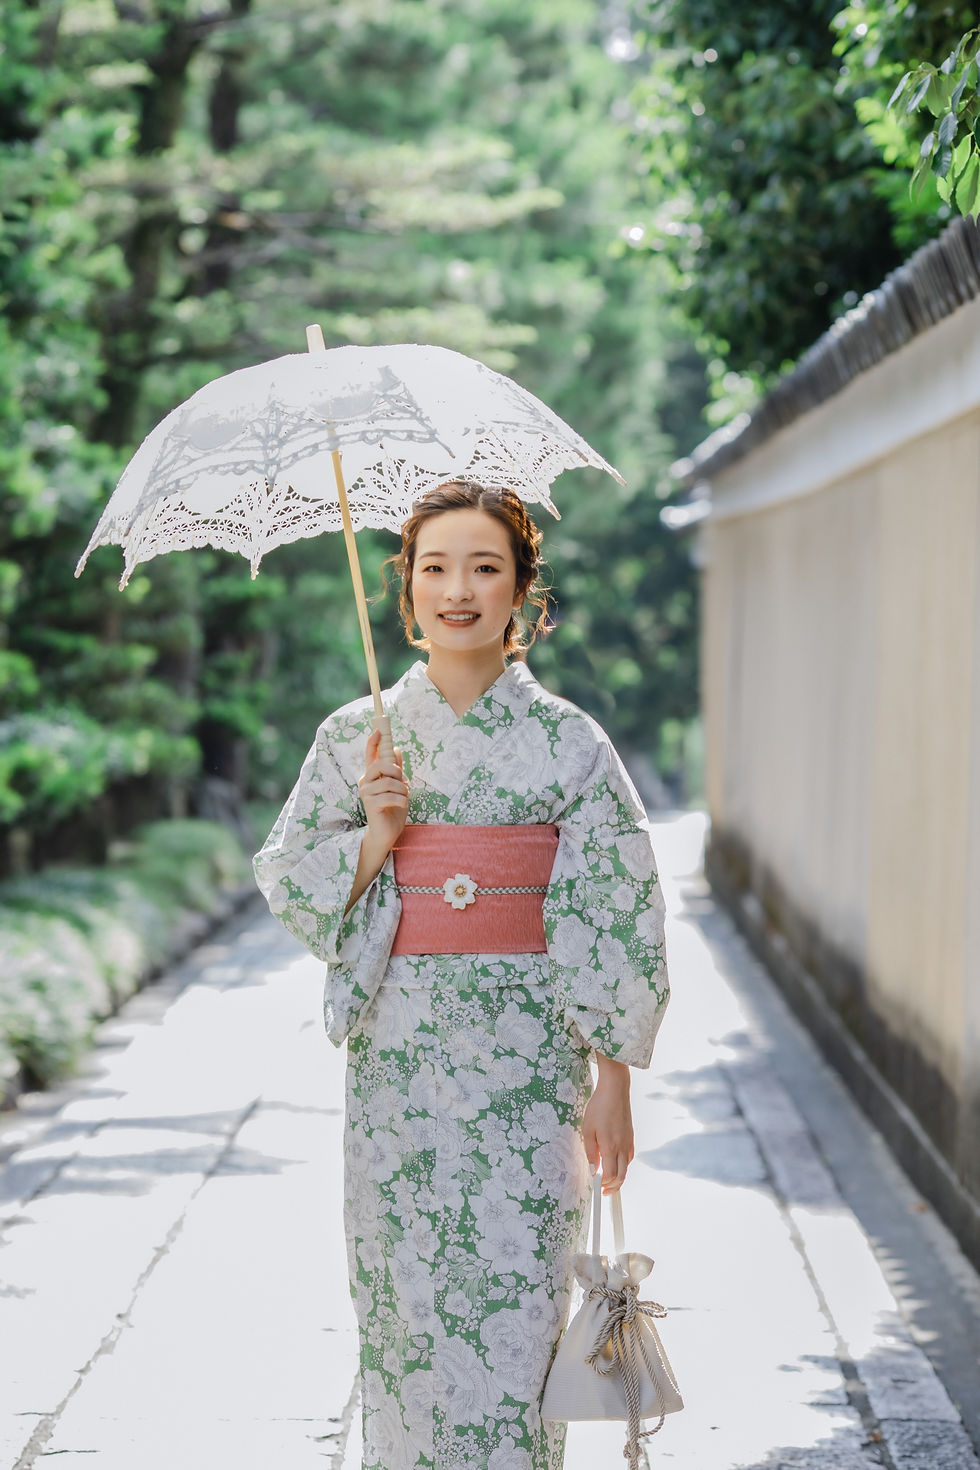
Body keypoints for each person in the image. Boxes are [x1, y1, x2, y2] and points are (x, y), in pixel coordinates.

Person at [253, 479, 670, 1470]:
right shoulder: (357, 739)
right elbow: (287, 872)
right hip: (402, 1060)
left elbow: (615, 899)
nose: (457, 589)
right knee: (407, 1319)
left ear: (522, 590)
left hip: (531, 1068)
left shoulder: (570, 745)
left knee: (523, 1313)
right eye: (434, 567)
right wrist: (380, 834)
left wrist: (611, 1075)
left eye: (484, 566)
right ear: (405, 592)